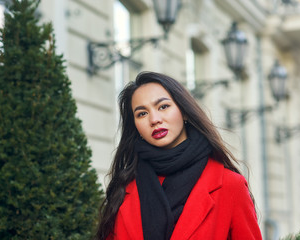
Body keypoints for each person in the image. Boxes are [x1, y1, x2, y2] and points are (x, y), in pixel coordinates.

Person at [95, 71, 262, 240]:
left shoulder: (230, 185)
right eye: (142, 113)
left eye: (163, 107)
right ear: (135, 126)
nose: (154, 119)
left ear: (184, 111)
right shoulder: (124, 188)